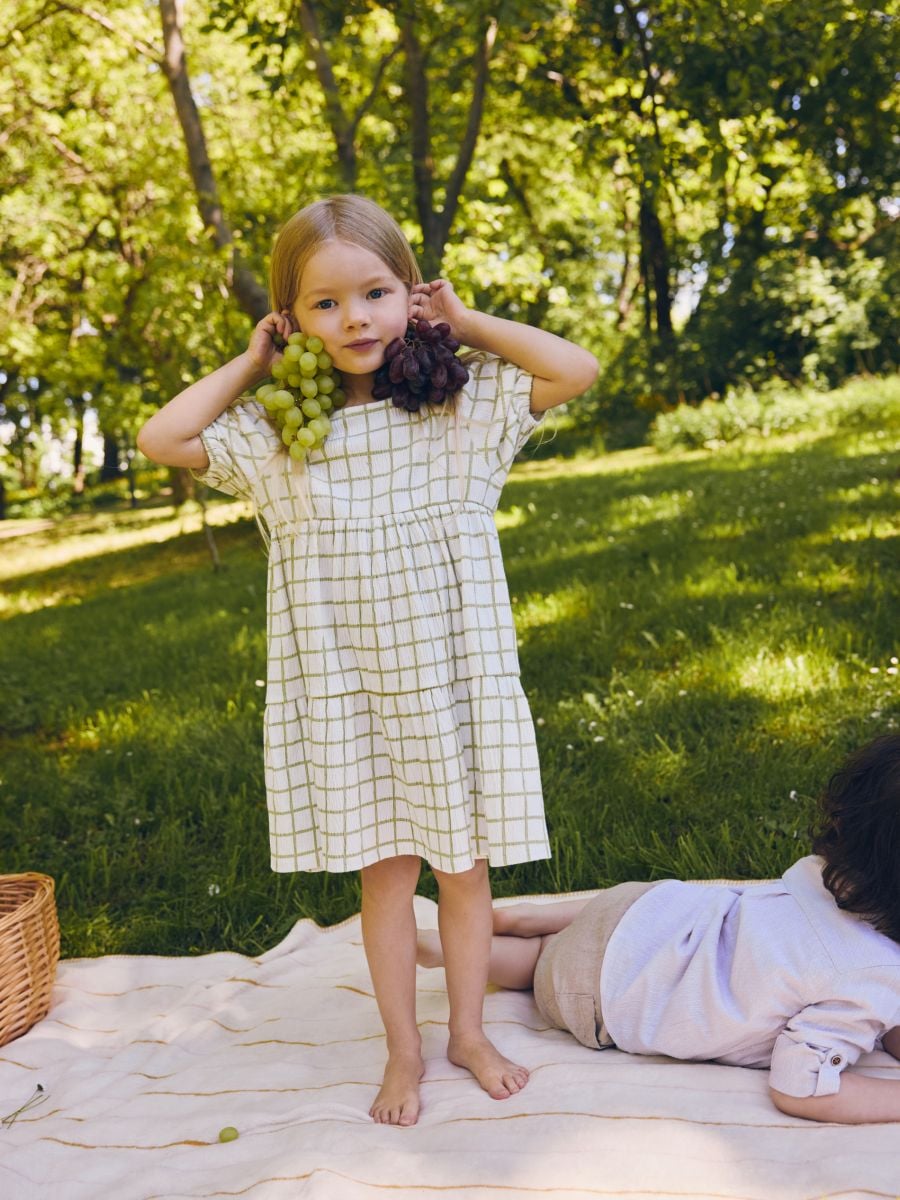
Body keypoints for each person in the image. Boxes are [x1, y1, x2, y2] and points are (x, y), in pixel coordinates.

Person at [137, 194, 599, 1127]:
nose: (355, 319)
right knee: (385, 878)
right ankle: (403, 1049)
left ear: (410, 293)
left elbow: (576, 367)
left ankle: (467, 1030)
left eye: (377, 293)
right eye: (323, 304)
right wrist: (251, 362)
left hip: (452, 688)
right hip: (349, 699)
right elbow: (164, 438)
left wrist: (464, 322)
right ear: (290, 319)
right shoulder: (280, 443)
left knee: (464, 871)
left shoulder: (462, 411)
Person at [418, 733, 900, 1123]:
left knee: (640, 922)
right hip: (603, 984)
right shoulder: (870, 975)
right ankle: (482, 947)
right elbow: (800, 1087)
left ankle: (517, 917)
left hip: (645, 907)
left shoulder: (828, 874)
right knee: (537, 961)